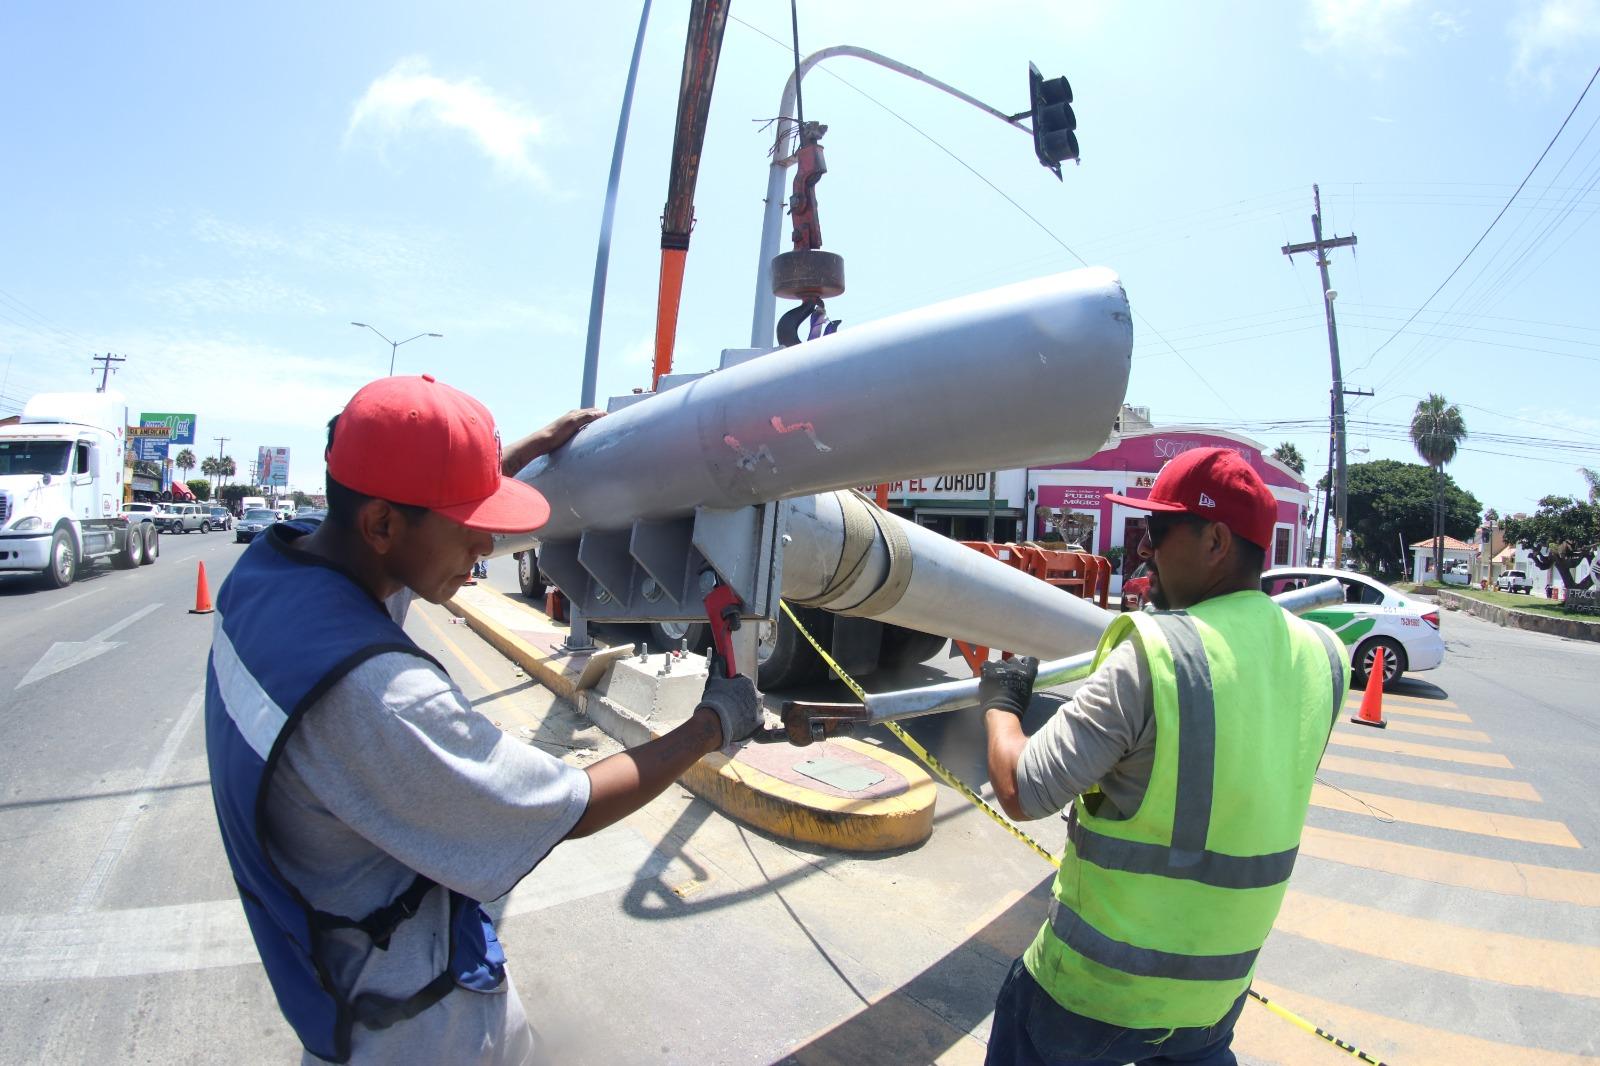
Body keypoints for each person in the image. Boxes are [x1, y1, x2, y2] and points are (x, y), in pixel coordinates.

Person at [204, 374, 764, 1065]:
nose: (488, 545)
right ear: (380, 524)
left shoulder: (270, 577)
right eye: (469, 526)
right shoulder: (379, 697)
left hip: (328, 982)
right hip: (414, 1030)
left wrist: (520, 452)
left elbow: (405, 530)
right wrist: (714, 722)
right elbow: (575, 805)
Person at [978, 447, 1349, 1066]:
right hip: (1211, 1007)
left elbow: (1023, 787)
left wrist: (1001, 702)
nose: (1145, 548)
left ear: (1215, 542)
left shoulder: (1158, 654)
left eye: (1157, 530)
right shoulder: (1325, 657)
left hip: (1092, 996)